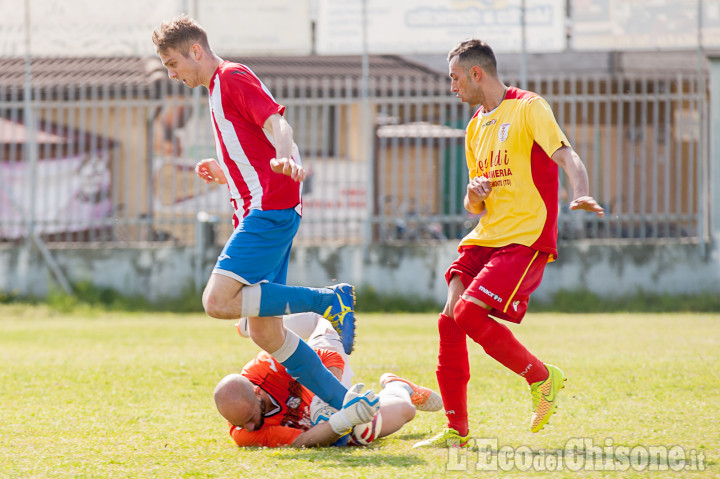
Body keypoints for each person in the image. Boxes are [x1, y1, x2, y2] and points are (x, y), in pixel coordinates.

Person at [151, 15, 359, 413]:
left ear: (195, 51)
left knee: (216, 301)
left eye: (173, 64)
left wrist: (283, 153)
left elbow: (276, 122)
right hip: (264, 207)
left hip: (267, 210)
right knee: (265, 332)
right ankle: (347, 404)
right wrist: (225, 170)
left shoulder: (230, 77)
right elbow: (250, 146)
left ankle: (328, 299)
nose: (173, 75)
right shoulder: (217, 87)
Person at [414, 39, 605, 448]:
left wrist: (581, 191)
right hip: (486, 235)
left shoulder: (528, 107)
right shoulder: (474, 127)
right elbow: (472, 206)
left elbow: (566, 155)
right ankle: (456, 432)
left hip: (524, 235)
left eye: (455, 78)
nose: (453, 88)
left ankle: (540, 376)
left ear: (476, 73)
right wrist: (474, 192)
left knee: (467, 313)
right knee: (449, 319)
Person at [214, 315, 443, 447]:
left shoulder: (268, 366)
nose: (251, 427)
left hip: (330, 385)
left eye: (250, 418)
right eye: (241, 423)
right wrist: (345, 419)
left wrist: (325, 395)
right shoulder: (243, 433)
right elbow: (302, 442)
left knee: (326, 319)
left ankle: (258, 326)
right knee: (404, 411)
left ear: (256, 391)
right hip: (329, 426)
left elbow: (330, 357)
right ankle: (398, 386)